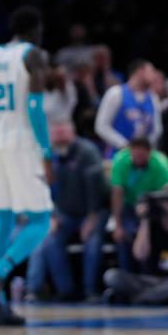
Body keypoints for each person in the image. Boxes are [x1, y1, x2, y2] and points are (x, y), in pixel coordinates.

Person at [0, 6, 54, 325]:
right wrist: (46, 152)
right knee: (41, 220)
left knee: (3, 218)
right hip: (21, 141)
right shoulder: (34, 55)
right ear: (35, 29)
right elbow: (34, 108)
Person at [32, 120, 106, 302]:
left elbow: (96, 189)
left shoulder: (87, 152)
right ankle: (65, 291)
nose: (60, 138)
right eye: (56, 135)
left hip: (93, 211)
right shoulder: (49, 156)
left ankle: (91, 291)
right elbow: (46, 189)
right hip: (66, 213)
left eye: (64, 133)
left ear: (73, 133)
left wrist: (91, 217)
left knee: (93, 241)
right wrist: (54, 216)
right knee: (50, 241)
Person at [103, 185, 168, 305]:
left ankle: (140, 299)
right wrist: (145, 219)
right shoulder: (151, 222)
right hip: (147, 279)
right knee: (111, 276)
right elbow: (140, 254)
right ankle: (155, 296)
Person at [109, 137, 168, 271]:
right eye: (135, 153)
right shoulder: (121, 161)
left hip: (155, 205)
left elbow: (166, 194)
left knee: (163, 236)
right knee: (123, 236)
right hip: (129, 206)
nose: (138, 157)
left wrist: (163, 220)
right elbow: (117, 193)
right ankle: (127, 276)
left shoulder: (160, 164)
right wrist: (117, 224)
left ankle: (157, 273)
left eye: (142, 154)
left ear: (149, 152)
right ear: (130, 151)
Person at [95, 59, 162, 158]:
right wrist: (124, 145)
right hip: (118, 155)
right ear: (140, 71)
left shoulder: (153, 98)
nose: (154, 75)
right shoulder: (115, 93)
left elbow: (157, 129)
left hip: (144, 158)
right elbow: (101, 126)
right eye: (151, 71)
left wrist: (144, 147)